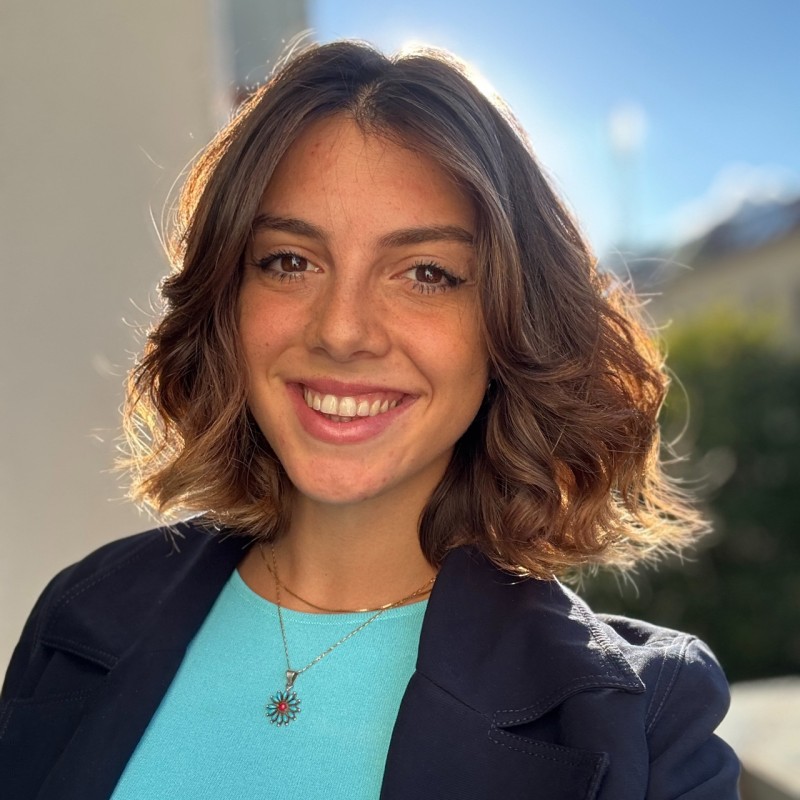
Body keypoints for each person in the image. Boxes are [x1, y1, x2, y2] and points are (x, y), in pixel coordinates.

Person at [0, 40, 739, 799]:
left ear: (511, 326)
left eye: (426, 274)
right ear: (227, 298)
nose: (342, 330)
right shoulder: (80, 613)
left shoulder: (646, 727)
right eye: (290, 261)